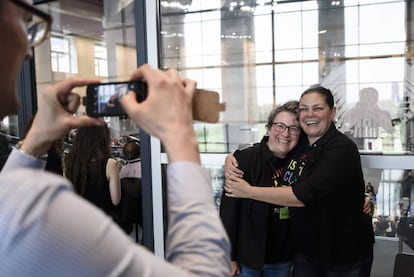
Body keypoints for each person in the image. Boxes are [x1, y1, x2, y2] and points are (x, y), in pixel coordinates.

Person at [0, 1, 230, 275]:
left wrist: (34, 143)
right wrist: (180, 138)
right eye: (26, 20)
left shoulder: (17, 202)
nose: (28, 51)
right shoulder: (32, 210)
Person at [225, 85, 374, 276]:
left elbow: (305, 194)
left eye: (318, 108)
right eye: (304, 109)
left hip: (343, 256)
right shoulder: (303, 145)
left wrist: (248, 191)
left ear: (333, 112)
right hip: (306, 254)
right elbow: (274, 140)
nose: (310, 114)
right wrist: (233, 156)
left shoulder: (341, 148)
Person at [220, 101, 302, 276]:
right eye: (280, 126)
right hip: (247, 259)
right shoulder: (245, 160)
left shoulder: (301, 163)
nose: (286, 134)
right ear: (269, 128)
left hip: (283, 259)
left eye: (294, 128)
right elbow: (228, 213)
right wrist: (229, 256)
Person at [64, 124, 121, 218]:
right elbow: (116, 200)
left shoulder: (69, 162)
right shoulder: (110, 164)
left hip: (78, 220)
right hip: (103, 222)